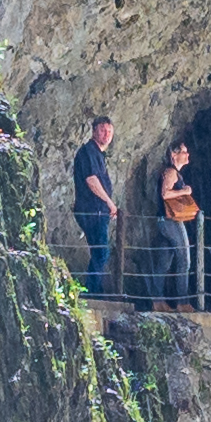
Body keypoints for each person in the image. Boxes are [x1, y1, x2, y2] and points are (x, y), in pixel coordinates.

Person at [73, 117, 118, 298]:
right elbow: (91, 180)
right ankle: (92, 292)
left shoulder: (98, 154)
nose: (106, 134)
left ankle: (94, 290)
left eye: (109, 131)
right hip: (92, 210)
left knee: (99, 251)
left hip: (98, 210)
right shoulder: (88, 152)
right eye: (102, 130)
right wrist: (109, 202)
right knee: (101, 252)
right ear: (94, 131)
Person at [157, 141, 203, 311]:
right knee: (184, 260)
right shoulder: (171, 172)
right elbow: (165, 193)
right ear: (174, 155)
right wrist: (185, 191)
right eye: (184, 151)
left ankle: (157, 301)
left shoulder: (173, 173)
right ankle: (182, 303)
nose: (187, 154)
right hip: (172, 222)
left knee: (164, 263)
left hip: (163, 221)